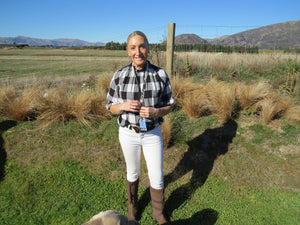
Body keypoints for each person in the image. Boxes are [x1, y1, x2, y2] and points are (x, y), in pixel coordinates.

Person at [106, 31, 174, 225]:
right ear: (128, 51)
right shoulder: (119, 76)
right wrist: (123, 106)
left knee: (157, 175)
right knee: (132, 172)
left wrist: (156, 112)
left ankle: (158, 214)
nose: (138, 51)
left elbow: (169, 105)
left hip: (152, 133)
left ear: (148, 48)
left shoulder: (160, 74)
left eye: (142, 46)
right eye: (133, 47)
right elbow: (109, 106)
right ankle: (132, 209)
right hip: (128, 133)